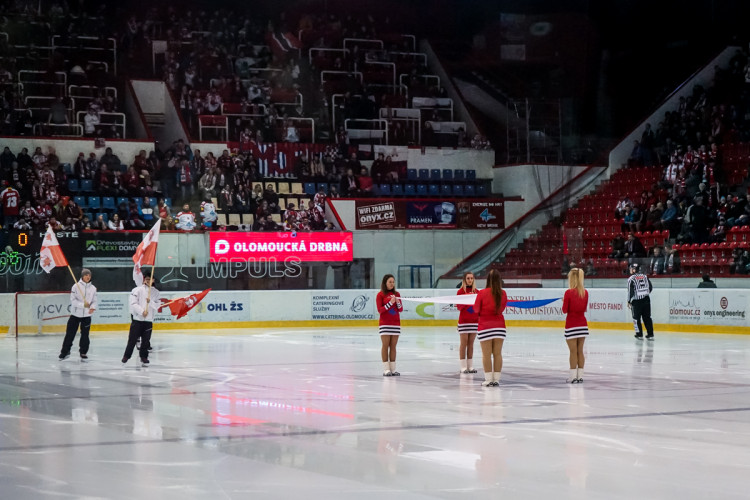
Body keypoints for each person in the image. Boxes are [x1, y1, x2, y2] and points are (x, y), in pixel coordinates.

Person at [474, 269, 508, 387]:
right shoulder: (503, 293)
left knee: (486, 354)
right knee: (498, 354)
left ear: (487, 279)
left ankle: (488, 379)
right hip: (499, 327)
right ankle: (496, 379)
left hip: (485, 327)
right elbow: (502, 308)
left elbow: (476, 309)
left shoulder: (482, 293)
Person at [58, 269, 98, 361]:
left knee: (85, 335)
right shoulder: (75, 286)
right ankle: (65, 352)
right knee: (70, 334)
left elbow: (94, 301)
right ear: (82, 276)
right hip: (75, 315)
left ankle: (83, 352)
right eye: (86, 275)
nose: (88, 277)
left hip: (87, 316)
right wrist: (83, 305)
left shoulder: (93, 288)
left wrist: (92, 307)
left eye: (89, 275)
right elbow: (73, 301)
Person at [122, 274, 161, 366]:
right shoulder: (137, 290)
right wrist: (141, 311)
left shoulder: (156, 292)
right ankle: (126, 356)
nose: (148, 281)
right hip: (137, 320)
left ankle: (144, 356)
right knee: (132, 339)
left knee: (146, 341)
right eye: (146, 279)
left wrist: (150, 302)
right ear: (144, 280)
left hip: (148, 320)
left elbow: (158, 305)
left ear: (153, 280)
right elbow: (133, 303)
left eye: (150, 279)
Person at [562, 268, 588, 383]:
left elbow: (564, 310)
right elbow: (584, 308)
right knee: (580, 351)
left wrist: (564, 301)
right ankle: (580, 376)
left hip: (571, 325)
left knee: (573, 352)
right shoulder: (585, 292)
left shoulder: (568, 292)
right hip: (582, 324)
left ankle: (572, 376)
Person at [376, 274, 403, 376]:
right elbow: (380, 310)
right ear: (385, 283)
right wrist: (390, 303)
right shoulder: (380, 295)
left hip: (395, 324)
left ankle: (393, 369)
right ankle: (386, 369)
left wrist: (397, 302)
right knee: (385, 345)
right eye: (390, 282)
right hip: (385, 324)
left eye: (393, 282)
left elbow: (400, 309)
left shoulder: (397, 294)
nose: (392, 284)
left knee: (393, 346)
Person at [456, 271, 479, 374]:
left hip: (474, 321)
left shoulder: (477, 292)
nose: (470, 280)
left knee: (471, 344)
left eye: (471, 278)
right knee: (463, 344)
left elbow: (479, 307)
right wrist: (468, 299)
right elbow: (459, 307)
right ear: (464, 280)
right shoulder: (460, 292)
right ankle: (463, 366)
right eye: (468, 278)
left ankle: (470, 366)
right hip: (464, 321)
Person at [627, 263, 654, 340]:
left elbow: (630, 292)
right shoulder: (645, 276)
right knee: (647, 317)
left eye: (631, 269)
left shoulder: (631, 279)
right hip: (646, 299)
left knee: (636, 318)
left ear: (634, 269)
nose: (630, 270)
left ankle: (639, 334)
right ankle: (650, 333)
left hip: (637, 301)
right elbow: (650, 287)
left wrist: (628, 301)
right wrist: (645, 293)